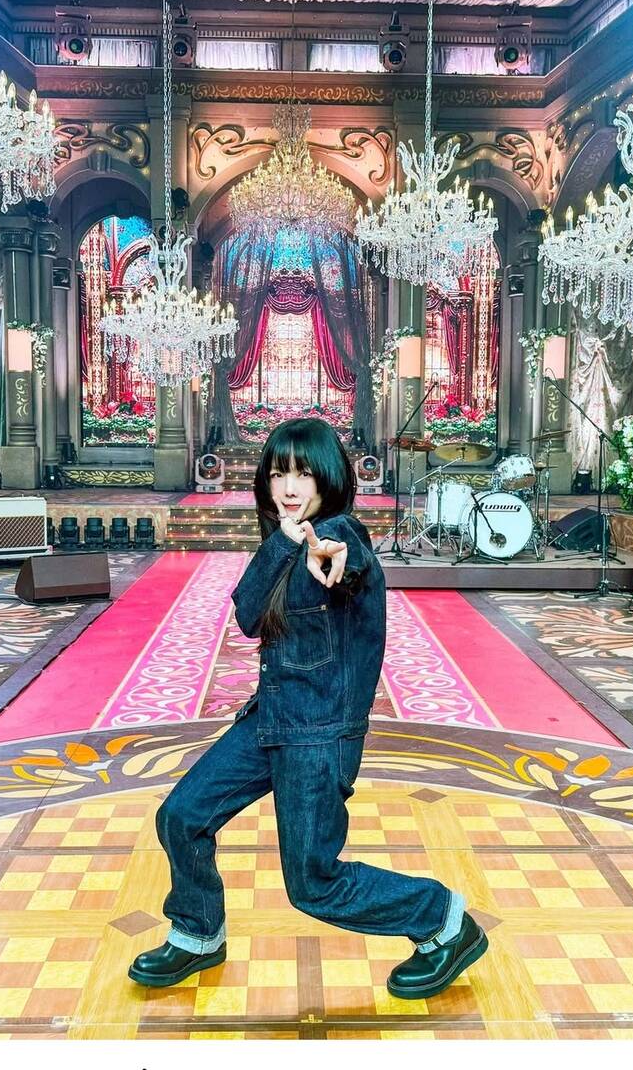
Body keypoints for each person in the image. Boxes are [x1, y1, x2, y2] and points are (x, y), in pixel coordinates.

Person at [129, 418, 487, 999]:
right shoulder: (287, 540)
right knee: (182, 816)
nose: (290, 487)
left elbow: (349, 563)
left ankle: (441, 919)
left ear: (328, 477)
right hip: (270, 720)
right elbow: (248, 616)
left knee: (313, 884)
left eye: (303, 473)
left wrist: (331, 555)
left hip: (317, 736)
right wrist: (284, 542)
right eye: (278, 474)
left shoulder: (341, 534)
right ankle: (197, 933)